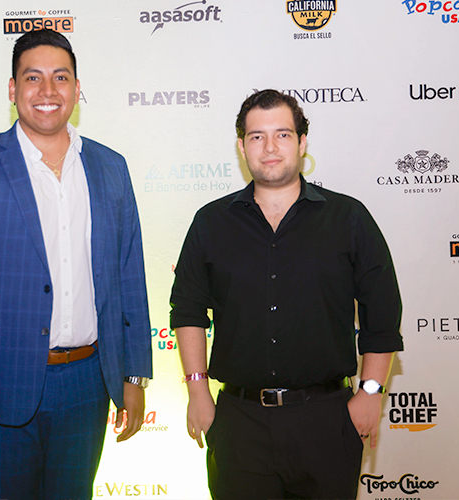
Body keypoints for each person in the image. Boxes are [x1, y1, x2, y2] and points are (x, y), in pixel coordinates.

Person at [0, 29, 152, 500]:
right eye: (33, 78)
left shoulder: (111, 167)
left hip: (88, 384)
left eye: (60, 78)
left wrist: (133, 376)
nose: (48, 90)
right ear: (13, 89)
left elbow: (129, 276)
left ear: (76, 88)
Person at [170, 89, 403, 500]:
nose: (270, 147)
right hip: (239, 424)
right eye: (257, 136)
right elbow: (188, 310)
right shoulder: (211, 222)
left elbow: (381, 312)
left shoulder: (348, 217)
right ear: (242, 147)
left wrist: (370, 393)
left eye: (282, 134)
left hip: (327, 420)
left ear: (302, 142)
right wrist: (197, 391)